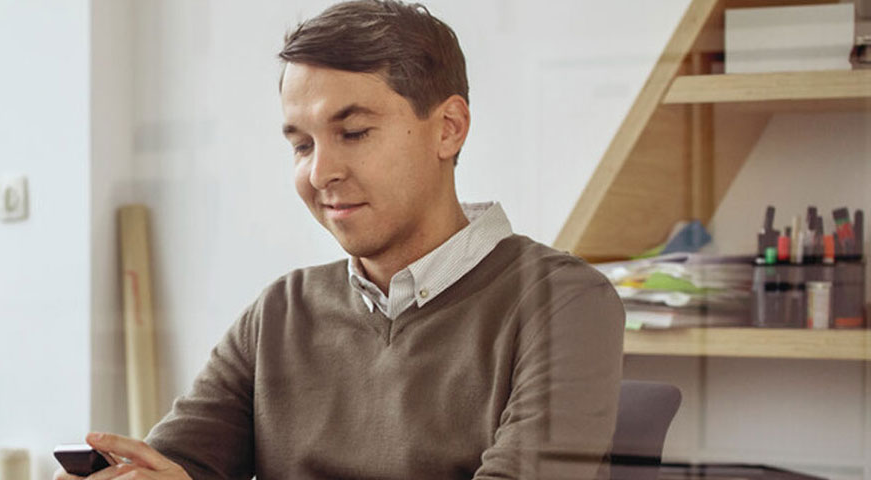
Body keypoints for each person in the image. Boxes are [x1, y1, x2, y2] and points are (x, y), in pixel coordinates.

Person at [56, 1, 623, 479]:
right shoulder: (281, 311)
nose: (320, 172)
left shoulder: (566, 303)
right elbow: (177, 464)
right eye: (301, 145)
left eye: (353, 133)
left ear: (448, 129)